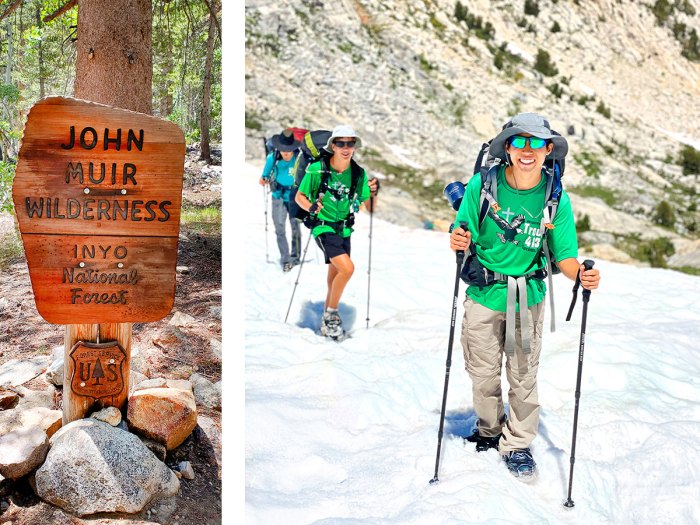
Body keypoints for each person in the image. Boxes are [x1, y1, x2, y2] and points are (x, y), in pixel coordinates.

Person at [448, 112, 600, 478]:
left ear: (549, 149)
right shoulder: (481, 186)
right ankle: (488, 430)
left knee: (522, 375)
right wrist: (456, 238)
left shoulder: (555, 198)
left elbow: (563, 256)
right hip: (484, 292)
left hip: (527, 296)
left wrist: (580, 274)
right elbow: (461, 229)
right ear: (508, 147)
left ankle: (517, 442)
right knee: (482, 373)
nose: (528, 150)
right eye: (520, 141)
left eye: (536, 143)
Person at [295, 125, 378, 339]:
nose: (346, 147)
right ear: (333, 145)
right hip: (323, 226)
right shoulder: (317, 169)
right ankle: (331, 315)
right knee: (347, 269)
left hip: (344, 228)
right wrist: (311, 207)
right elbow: (300, 197)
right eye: (341, 143)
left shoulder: (359, 174)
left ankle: (326, 315)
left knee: (335, 273)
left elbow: (367, 205)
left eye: (350, 143)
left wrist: (373, 193)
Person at [259, 129, 302, 272]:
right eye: (283, 150)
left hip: (295, 196)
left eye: (289, 150)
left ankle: (295, 258)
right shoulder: (273, 157)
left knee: (295, 227)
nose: (286, 153)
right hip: (278, 195)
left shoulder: (299, 158)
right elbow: (263, 176)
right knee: (279, 229)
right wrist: (264, 180)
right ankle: (285, 260)